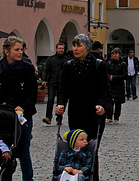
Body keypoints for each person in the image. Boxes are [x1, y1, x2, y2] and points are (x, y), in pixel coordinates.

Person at [56, 34, 112, 181]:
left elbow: (104, 90)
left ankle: (92, 177)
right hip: (75, 113)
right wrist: (61, 104)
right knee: (75, 148)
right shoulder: (68, 66)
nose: (75, 49)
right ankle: (76, 178)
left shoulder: (99, 65)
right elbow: (63, 89)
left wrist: (102, 106)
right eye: (74, 46)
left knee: (91, 150)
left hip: (94, 114)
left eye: (78, 45)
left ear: (87, 47)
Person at [0, 35, 37, 181]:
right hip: (1, 116)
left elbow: (32, 93)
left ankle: (28, 179)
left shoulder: (27, 68)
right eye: (16, 50)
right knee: (4, 150)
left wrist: (23, 107)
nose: (20, 52)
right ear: (7, 51)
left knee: (23, 151)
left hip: (22, 115)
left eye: (21, 49)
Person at [42, 42, 68, 125]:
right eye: (59, 48)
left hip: (62, 84)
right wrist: (44, 79)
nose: (61, 50)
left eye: (62, 48)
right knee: (50, 100)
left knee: (61, 102)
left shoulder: (66, 60)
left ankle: (59, 118)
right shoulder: (51, 59)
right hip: (52, 82)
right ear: (56, 49)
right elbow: (46, 70)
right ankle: (48, 117)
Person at [105, 48, 126, 124]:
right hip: (110, 85)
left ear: (119, 55)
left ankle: (116, 117)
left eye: (116, 54)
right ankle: (109, 117)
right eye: (114, 54)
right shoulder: (109, 63)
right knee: (109, 102)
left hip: (118, 86)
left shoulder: (123, 64)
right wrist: (109, 77)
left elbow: (124, 75)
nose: (115, 55)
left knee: (118, 103)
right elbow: (105, 72)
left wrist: (114, 77)